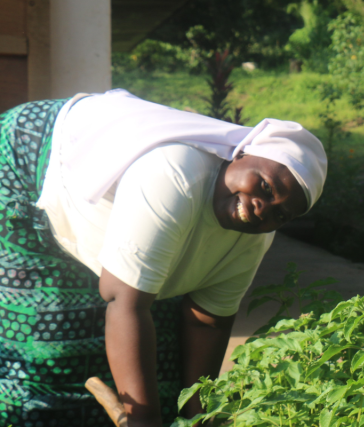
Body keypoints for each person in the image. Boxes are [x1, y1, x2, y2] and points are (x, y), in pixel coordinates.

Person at [0, 89, 328, 426]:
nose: (265, 209)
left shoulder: (254, 239)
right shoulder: (174, 174)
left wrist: (200, 416)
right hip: (29, 162)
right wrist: (144, 420)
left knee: (167, 378)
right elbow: (125, 303)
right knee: (48, 353)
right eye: (266, 187)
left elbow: (207, 321)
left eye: (282, 214)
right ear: (239, 155)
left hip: (117, 242)